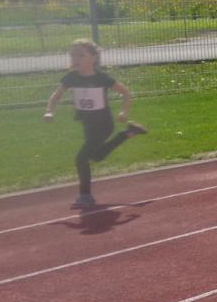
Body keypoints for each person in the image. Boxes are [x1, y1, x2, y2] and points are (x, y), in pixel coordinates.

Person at [43, 38, 147, 210]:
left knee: (81, 159)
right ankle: (129, 133)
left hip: (103, 124)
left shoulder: (102, 78)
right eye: (73, 55)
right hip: (87, 125)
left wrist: (124, 112)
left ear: (93, 57)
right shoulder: (71, 77)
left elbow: (126, 93)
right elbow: (55, 97)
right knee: (96, 156)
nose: (76, 59)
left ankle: (85, 196)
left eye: (81, 55)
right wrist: (49, 111)